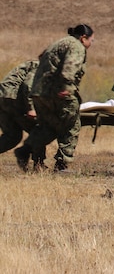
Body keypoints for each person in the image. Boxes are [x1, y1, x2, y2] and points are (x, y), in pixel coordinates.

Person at [15, 23, 95, 173]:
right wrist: (66, 86)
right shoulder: (76, 46)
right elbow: (70, 67)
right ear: (84, 38)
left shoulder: (58, 43)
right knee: (71, 125)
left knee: (48, 127)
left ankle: (25, 150)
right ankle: (62, 165)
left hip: (39, 92)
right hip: (57, 92)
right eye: (92, 40)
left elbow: (41, 58)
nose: (91, 44)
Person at [0, 59, 39, 156]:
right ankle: (38, 163)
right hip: (12, 99)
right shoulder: (41, 66)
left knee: (13, 136)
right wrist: (31, 108)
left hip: (4, 98)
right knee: (38, 130)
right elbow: (28, 85)